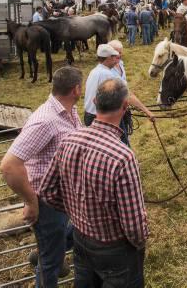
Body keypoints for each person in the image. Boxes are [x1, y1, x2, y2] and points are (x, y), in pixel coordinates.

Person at [39, 78, 148, 287]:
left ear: (96, 101)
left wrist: (77, 212)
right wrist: (139, 243)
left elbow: (47, 191)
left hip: (81, 240)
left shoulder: (69, 140)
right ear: (125, 107)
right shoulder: (123, 157)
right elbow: (134, 227)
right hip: (116, 249)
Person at [0, 66, 84, 288]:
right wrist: (30, 201)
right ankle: (46, 256)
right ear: (76, 89)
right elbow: (9, 165)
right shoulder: (45, 121)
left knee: (74, 233)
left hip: (64, 197)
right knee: (50, 263)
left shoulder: (69, 112)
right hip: (47, 202)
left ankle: (46, 249)